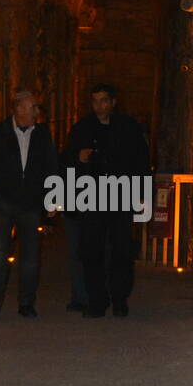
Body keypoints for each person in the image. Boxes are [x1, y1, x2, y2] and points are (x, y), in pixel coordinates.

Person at [62, 84, 151, 318]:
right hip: (91, 198)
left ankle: (119, 298)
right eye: (95, 101)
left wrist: (141, 192)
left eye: (103, 100)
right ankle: (97, 301)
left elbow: (141, 161)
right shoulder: (82, 128)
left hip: (121, 197)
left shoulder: (129, 128)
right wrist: (77, 158)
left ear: (113, 102)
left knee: (122, 251)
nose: (99, 105)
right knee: (91, 251)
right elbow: (66, 160)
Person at [0, 90, 58, 317]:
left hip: (30, 202)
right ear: (19, 109)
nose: (37, 111)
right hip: (5, 200)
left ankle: (26, 303)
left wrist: (53, 200)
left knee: (30, 256)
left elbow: (51, 167)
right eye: (33, 107)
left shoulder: (43, 135)